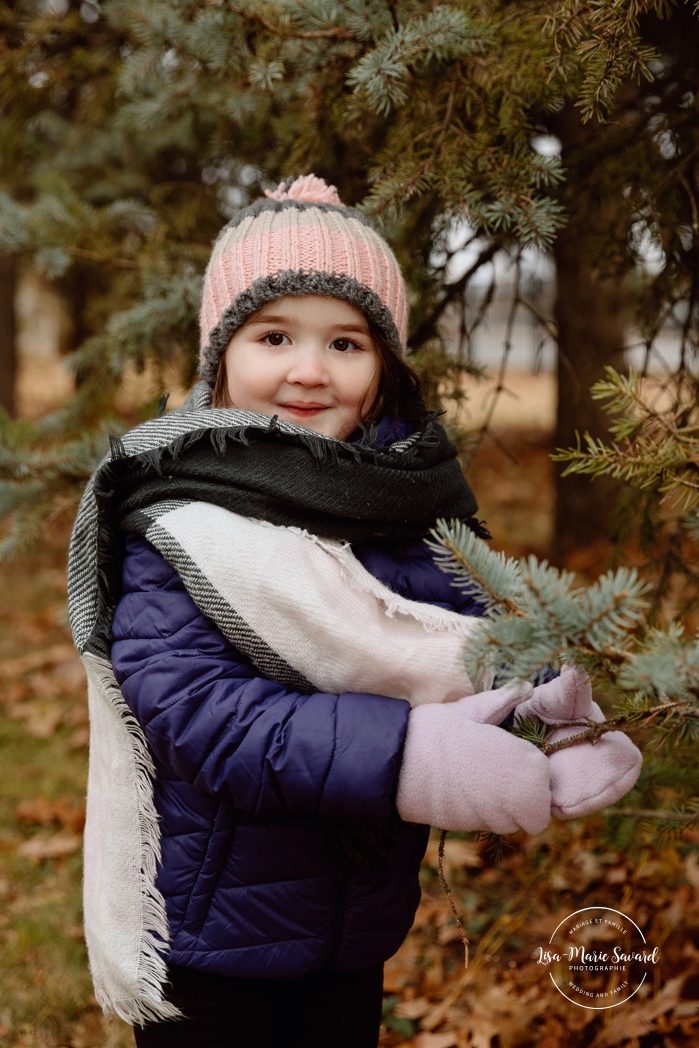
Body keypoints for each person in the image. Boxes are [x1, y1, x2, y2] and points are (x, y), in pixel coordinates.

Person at [67, 174, 643, 1048]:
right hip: (213, 930)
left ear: (383, 369)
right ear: (219, 355)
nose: (309, 369)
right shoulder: (181, 518)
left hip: (356, 917)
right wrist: (407, 759)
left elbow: (463, 637)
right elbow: (196, 714)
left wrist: (551, 711)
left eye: (346, 342)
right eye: (272, 335)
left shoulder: (401, 501)